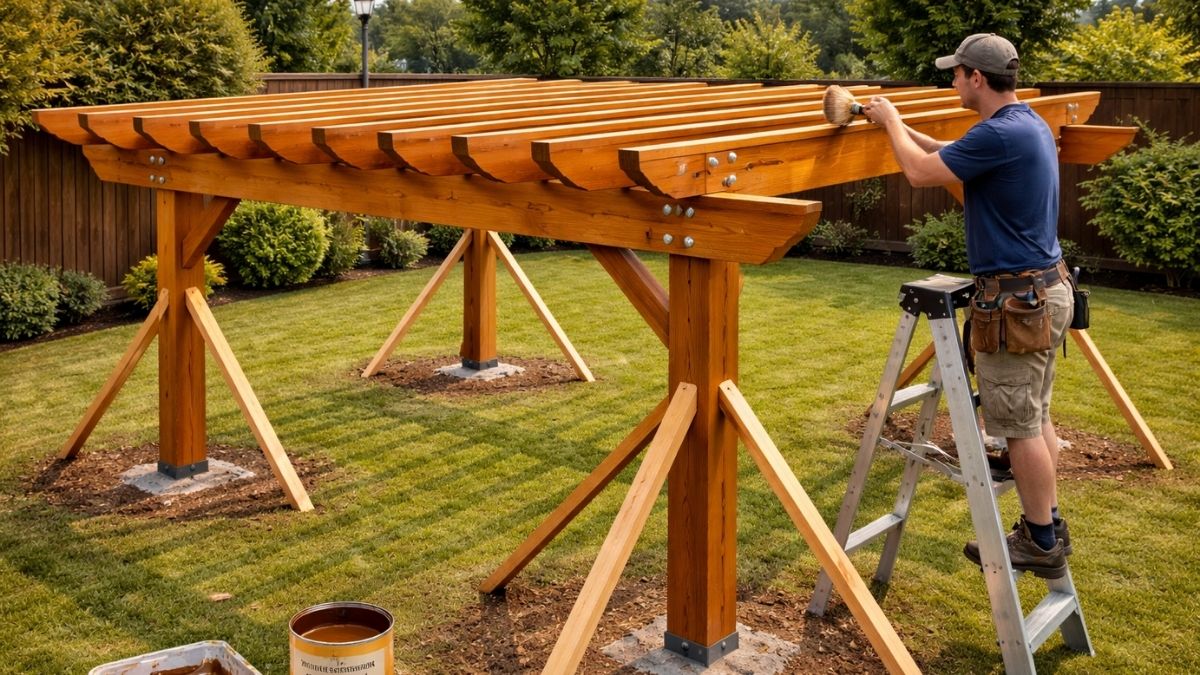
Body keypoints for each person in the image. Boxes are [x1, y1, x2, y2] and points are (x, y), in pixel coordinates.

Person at [863, 33, 1073, 579]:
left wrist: (889, 122)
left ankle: (1040, 540)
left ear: (976, 78)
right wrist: (898, 126)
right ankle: (1047, 520)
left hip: (1016, 304)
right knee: (1038, 413)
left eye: (955, 73)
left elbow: (919, 172)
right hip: (1045, 291)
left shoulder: (1000, 135)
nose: (952, 80)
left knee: (1019, 427)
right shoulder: (1023, 125)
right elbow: (945, 154)